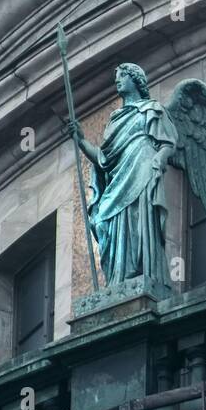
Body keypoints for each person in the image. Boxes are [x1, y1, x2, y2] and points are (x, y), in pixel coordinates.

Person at [65, 63, 178, 289]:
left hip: (144, 166)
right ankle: (120, 278)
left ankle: (145, 272)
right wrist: (81, 140)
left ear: (135, 79)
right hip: (119, 177)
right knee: (104, 219)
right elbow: (103, 159)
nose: (117, 81)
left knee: (140, 218)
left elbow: (168, 142)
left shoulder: (151, 109)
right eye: (117, 77)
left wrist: (161, 157)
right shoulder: (115, 120)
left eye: (122, 76)